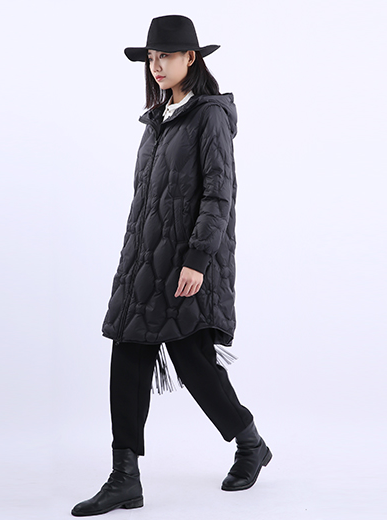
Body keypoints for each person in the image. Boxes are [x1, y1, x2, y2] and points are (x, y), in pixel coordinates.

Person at [71, 15, 271, 517]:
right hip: (143, 261)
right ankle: (124, 478)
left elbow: (218, 193)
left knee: (193, 363)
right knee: (127, 352)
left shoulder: (209, 117)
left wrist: (198, 259)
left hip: (187, 262)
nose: (156, 65)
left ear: (191, 58)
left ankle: (250, 444)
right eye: (151, 57)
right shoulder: (158, 118)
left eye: (166, 56)